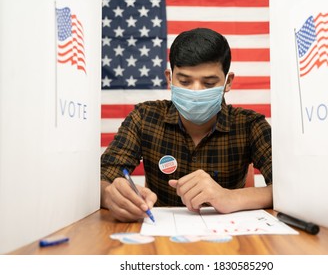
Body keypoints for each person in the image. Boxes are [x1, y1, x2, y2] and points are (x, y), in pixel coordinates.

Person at [101, 28, 272, 222]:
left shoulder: (250, 125)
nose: (196, 91)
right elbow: (103, 179)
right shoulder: (144, 117)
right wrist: (110, 195)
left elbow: (287, 188)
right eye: (184, 81)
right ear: (169, 78)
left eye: (208, 83)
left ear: (227, 82)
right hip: (161, 238)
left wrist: (230, 197)